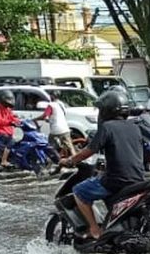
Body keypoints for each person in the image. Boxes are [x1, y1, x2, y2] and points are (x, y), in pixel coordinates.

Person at [60, 90, 144, 240]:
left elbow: (89, 151)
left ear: (106, 110)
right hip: (138, 179)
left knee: (79, 191)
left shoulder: (107, 127)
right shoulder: (135, 127)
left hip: (116, 180)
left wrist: (70, 161)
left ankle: (94, 229)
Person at [0, 90, 19, 168]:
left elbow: (12, 117)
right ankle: (4, 161)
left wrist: (19, 121)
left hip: (7, 131)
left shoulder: (7, 109)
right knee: (11, 141)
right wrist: (10, 123)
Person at [39, 93, 74, 158]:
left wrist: (35, 119)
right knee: (70, 146)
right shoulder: (61, 104)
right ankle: (75, 160)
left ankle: (53, 159)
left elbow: (44, 116)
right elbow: (62, 114)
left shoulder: (51, 105)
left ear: (51, 97)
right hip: (65, 128)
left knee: (50, 146)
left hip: (56, 130)